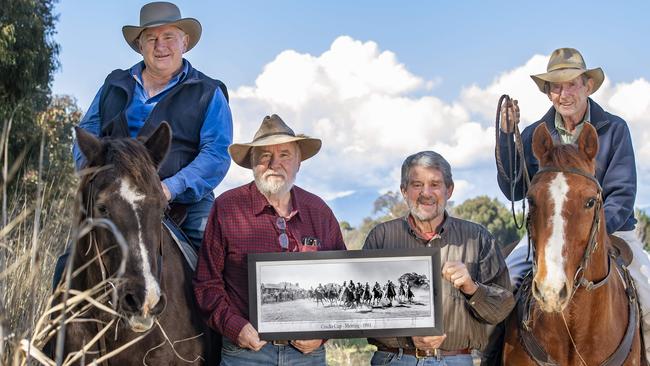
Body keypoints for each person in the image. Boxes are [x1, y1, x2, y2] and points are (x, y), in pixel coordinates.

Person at [497, 47, 650, 358]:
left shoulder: (614, 129)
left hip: (613, 230)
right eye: (556, 86)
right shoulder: (533, 134)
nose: (563, 93)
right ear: (548, 92)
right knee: (503, 286)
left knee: (647, 291)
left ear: (587, 86)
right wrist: (506, 135)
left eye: (571, 84)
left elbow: (622, 194)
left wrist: (593, 232)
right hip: (546, 234)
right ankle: (491, 355)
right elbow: (513, 188)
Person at [73, 1, 233, 249]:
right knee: (71, 260)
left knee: (214, 253)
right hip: (116, 195)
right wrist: (94, 177)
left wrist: (170, 188)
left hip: (184, 203)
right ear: (140, 45)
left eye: (169, 36)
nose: (160, 46)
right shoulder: (113, 85)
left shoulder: (209, 92)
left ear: (185, 42)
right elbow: (88, 133)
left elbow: (216, 154)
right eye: (151, 38)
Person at [193, 114, 346, 365]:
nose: (275, 163)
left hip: (307, 355)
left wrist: (322, 335)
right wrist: (236, 328)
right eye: (265, 156)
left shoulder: (319, 212)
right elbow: (206, 283)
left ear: (299, 163)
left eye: (285, 154)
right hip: (246, 353)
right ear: (253, 163)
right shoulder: (227, 208)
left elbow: (341, 282)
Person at [364, 151, 514, 366]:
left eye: (435, 184)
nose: (426, 193)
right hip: (394, 359)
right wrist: (408, 338)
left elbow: (502, 308)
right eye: (417, 185)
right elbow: (362, 311)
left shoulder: (478, 237)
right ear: (404, 191)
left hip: (455, 360)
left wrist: (473, 288)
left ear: (449, 190)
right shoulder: (382, 237)